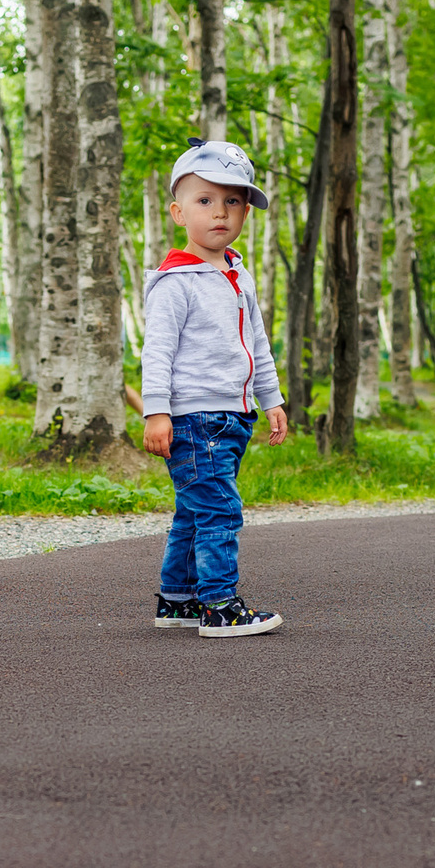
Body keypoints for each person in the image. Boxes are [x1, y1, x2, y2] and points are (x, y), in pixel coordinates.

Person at [139, 138, 289, 640]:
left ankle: (177, 600)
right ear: (180, 213)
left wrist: (271, 399)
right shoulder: (175, 283)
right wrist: (156, 412)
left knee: (194, 510)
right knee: (220, 509)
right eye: (205, 201)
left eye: (233, 201)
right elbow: (156, 353)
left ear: (246, 210)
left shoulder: (237, 275)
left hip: (233, 415)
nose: (220, 213)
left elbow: (257, 341)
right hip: (194, 417)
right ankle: (219, 606)